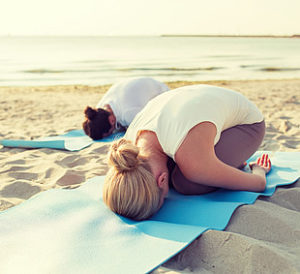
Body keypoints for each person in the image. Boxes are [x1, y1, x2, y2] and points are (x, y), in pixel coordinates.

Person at [103, 84, 271, 221]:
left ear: (162, 180)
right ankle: (213, 163)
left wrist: (259, 170)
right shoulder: (128, 147)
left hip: (246, 123)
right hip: (196, 102)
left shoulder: (193, 161)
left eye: (164, 199)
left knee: (185, 183)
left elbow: (258, 184)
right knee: (186, 170)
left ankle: (213, 165)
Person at [82, 77, 169, 140]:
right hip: (142, 87)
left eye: (109, 133)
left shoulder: (127, 113)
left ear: (111, 120)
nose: (111, 134)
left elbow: (148, 127)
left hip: (163, 94)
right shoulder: (100, 109)